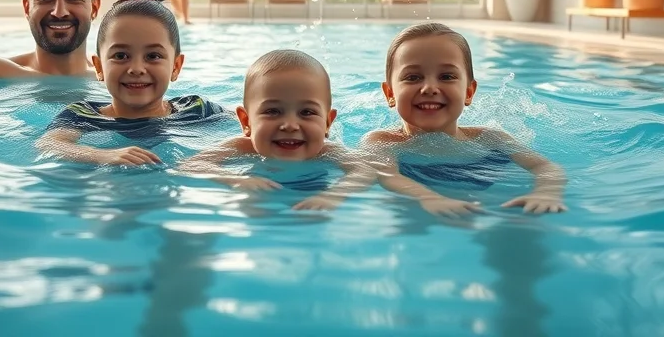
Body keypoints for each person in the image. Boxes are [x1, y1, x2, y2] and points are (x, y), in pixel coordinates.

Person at [363, 23, 568, 218]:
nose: (430, 88)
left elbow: (546, 168)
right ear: (390, 93)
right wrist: (428, 198)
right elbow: (388, 175)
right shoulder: (381, 142)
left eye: (446, 76)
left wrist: (546, 193)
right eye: (413, 77)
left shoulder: (490, 139)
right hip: (414, 206)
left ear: (469, 92)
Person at [36, 0, 229, 165]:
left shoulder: (196, 110)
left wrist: (206, 160)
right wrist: (101, 155)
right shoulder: (82, 116)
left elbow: (249, 127)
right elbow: (49, 144)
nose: (136, 69)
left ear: (176, 67)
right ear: (99, 67)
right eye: (120, 56)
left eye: (153, 56)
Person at [178, 49, 375, 211]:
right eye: (272, 111)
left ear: (327, 123)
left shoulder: (328, 152)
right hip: (260, 202)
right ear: (246, 122)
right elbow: (192, 165)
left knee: (317, 216)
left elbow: (364, 171)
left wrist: (334, 196)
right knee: (252, 208)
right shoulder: (242, 147)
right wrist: (235, 180)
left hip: (314, 194)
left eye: (306, 112)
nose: (290, 125)